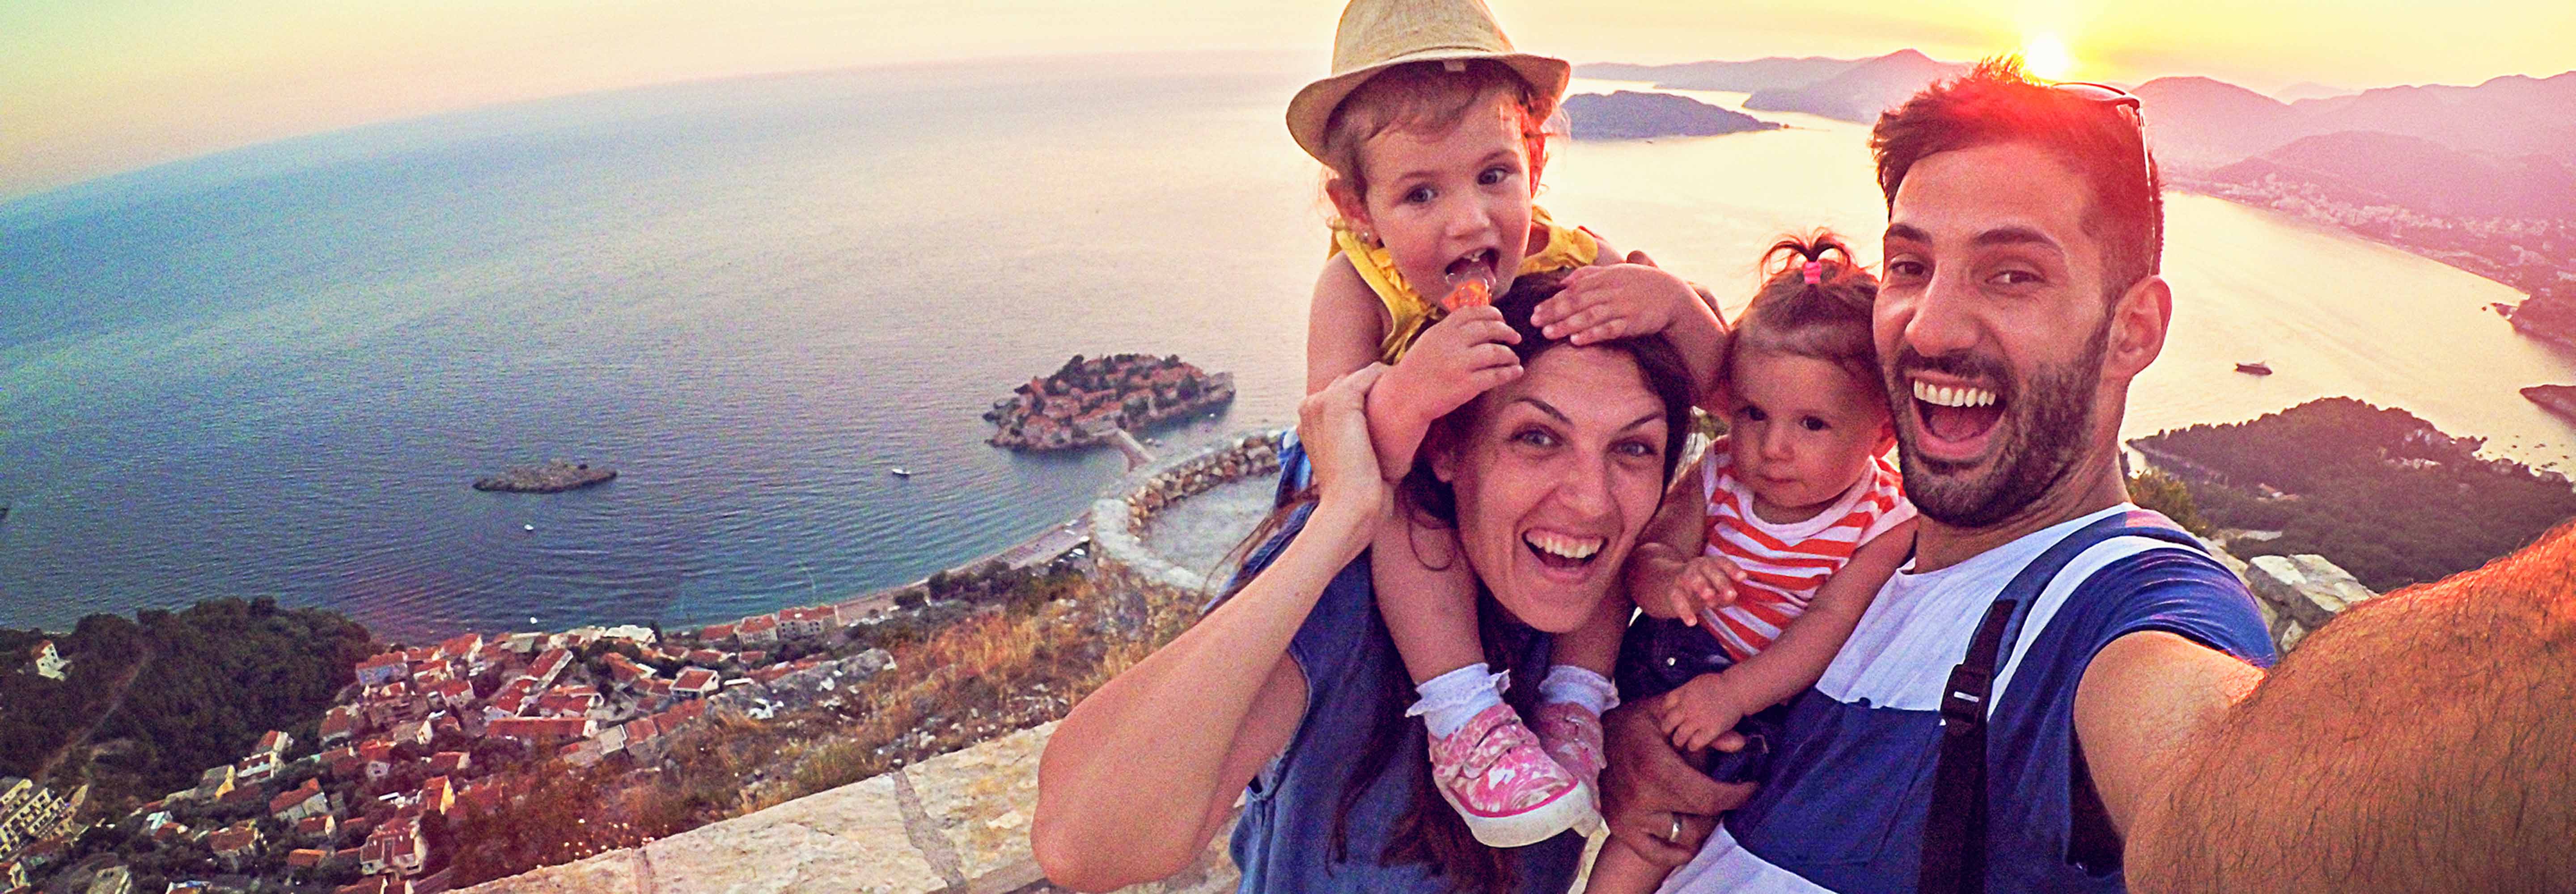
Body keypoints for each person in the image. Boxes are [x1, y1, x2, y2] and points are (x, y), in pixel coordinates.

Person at [1601, 58, 2287, 890]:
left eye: (2012, 275)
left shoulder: (2120, 606)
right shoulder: (1847, 542)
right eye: (1910, 266)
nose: (1929, 328)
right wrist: (1629, 733)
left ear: (2132, 330)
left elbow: (2222, 787)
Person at [1034, 276, 1699, 893]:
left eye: (1633, 448)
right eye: (1537, 438)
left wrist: (1623, 737)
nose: (1591, 501)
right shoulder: (1352, 597)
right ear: (1447, 449)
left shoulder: (1627, 593)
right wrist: (1342, 516)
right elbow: (1084, 845)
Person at [1285, 0, 1724, 846]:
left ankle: (1575, 705)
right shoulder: (1356, 287)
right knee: (1406, 518)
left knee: (1601, 509)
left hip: (1510, 495)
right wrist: (1410, 395)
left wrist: (1674, 306)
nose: (1470, 220)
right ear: (1358, 207)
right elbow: (1335, 449)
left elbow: (1721, 390)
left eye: (1494, 176)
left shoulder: (1574, 256)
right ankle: (1465, 721)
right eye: (1421, 192)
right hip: (1404, 482)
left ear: (1536, 160)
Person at [1584, 234, 1917, 894]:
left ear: (1881, 432)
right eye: (1754, 414)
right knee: (1648, 828)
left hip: (1758, 694)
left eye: (1812, 425)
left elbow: (1828, 626)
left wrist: (1734, 694)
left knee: (1694, 802)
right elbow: (1647, 560)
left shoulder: (1884, 519)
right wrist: (1675, 582)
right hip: (1671, 658)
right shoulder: (1720, 473)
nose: (1772, 447)